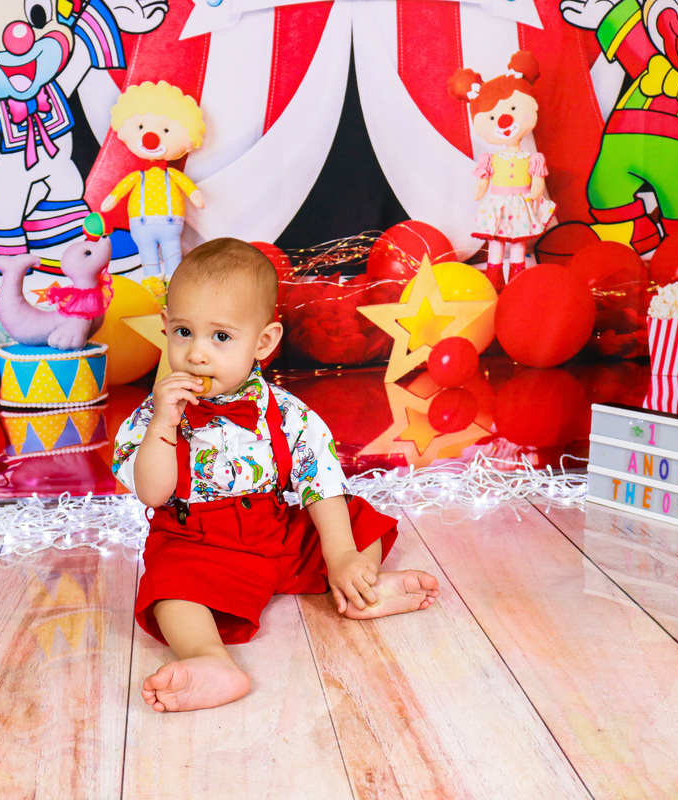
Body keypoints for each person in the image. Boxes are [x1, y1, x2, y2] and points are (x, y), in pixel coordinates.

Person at [112, 238, 441, 713]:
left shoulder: (287, 412)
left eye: (220, 337)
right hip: (197, 542)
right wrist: (163, 423)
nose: (197, 354)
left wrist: (340, 554)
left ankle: (358, 585)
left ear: (263, 342)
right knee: (168, 587)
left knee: (352, 517)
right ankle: (210, 658)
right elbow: (152, 491)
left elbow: (321, 483)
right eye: (184, 332)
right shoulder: (154, 416)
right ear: (165, 327)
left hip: (275, 529)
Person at [449, 51, 556, 289]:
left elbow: (537, 182)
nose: (504, 121)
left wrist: (536, 192)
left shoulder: (532, 158)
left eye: (513, 108)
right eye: (492, 117)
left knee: (518, 241)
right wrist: (480, 189)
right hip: (498, 204)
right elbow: (482, 184)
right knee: (496, 240)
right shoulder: (491, 159)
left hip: (521, 203)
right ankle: (494, 277)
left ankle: (517, 279)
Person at [100, 81, 206, 295]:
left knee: (172, 252)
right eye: (141, 127)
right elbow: (120, 190)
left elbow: (188, 187)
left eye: (166, 130)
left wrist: (195, 195)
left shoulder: (172, 175)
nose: (151, 137)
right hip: (143, 224)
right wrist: (111, 199)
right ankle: (154, 289)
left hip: (168, 223)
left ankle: (175, 287)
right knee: (148, 256)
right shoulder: (138, 176)